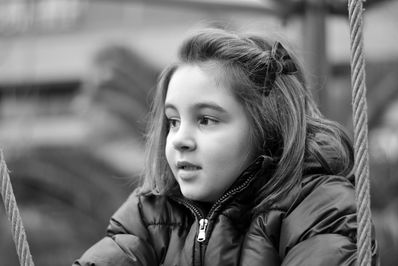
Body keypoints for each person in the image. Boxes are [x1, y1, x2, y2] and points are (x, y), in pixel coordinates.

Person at [73, 28, 379, 265]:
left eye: (206, 120)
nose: (180, 138)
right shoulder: (149, 213)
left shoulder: (321, 207)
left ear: (266, 126)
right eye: (174, 121)